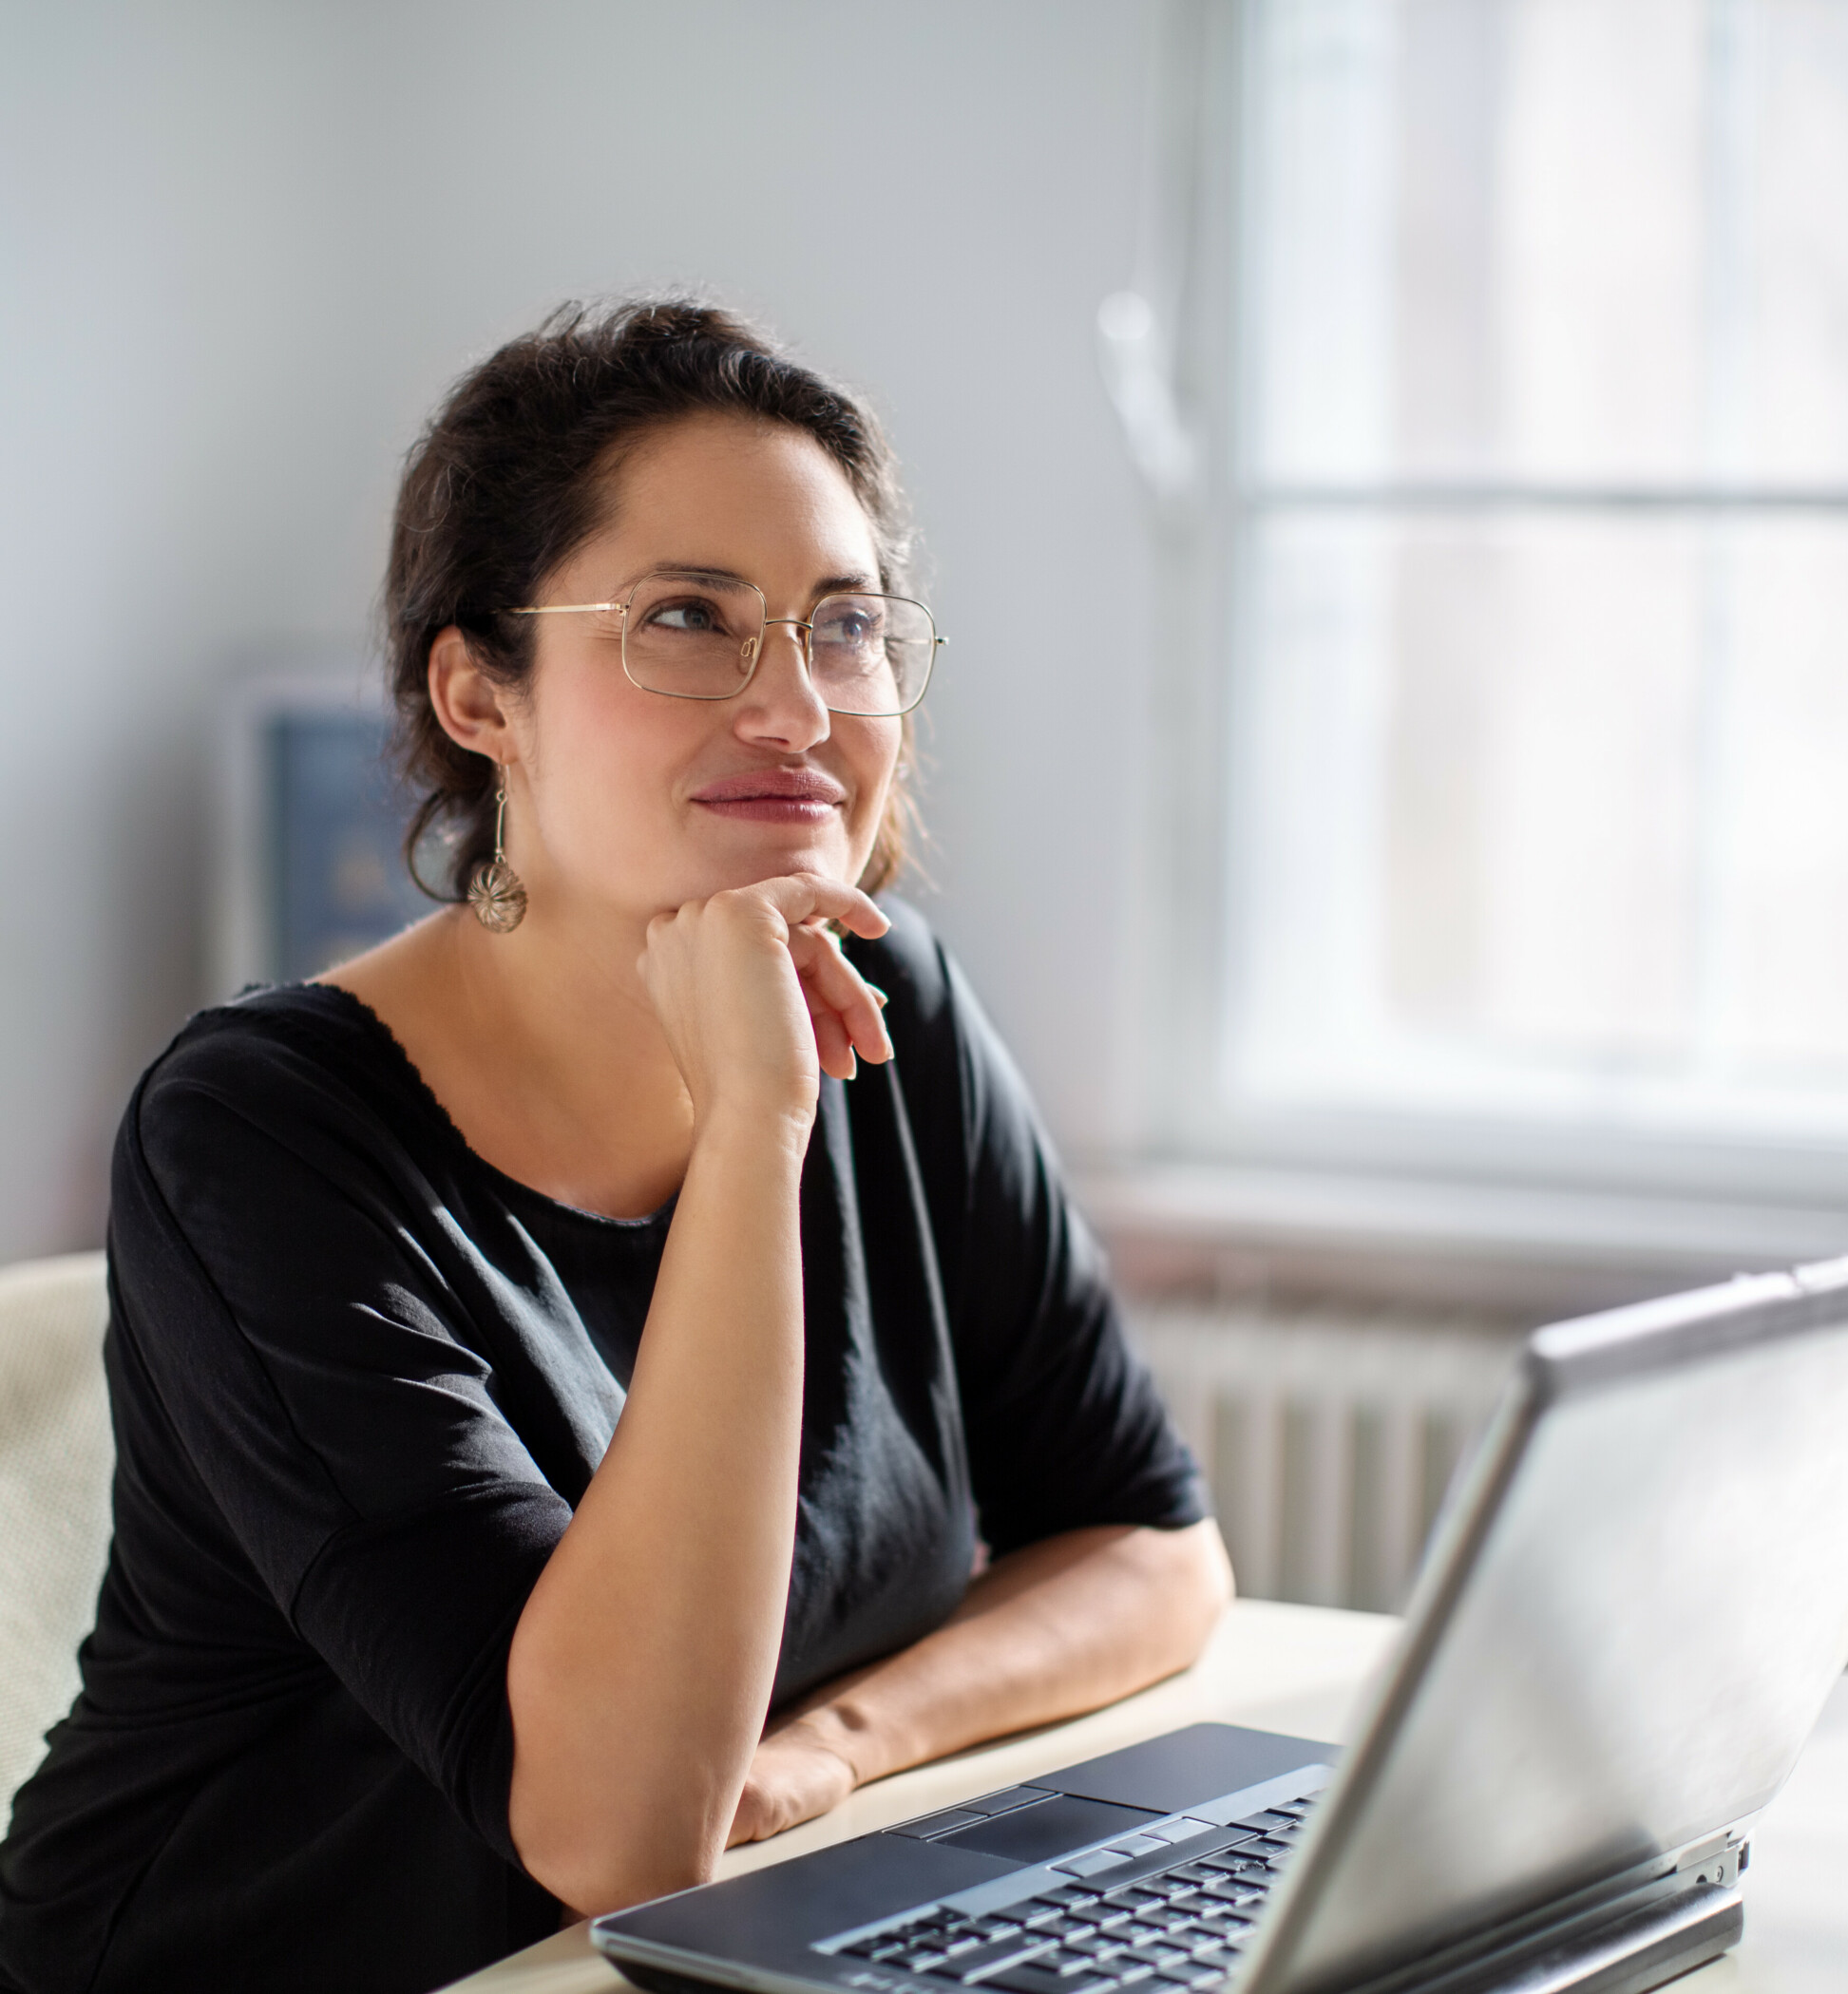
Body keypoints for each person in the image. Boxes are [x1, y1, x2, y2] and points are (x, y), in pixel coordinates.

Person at [0, 300, 1232, 1994]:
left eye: (844, 625)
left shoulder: (903, 1007)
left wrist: (840, 1746)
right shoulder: (259, 1137)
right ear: (478, 694)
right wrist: (753, 1127)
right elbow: (611, 1832)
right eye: (686, 621)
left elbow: (1154, 1554)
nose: (798, 706)